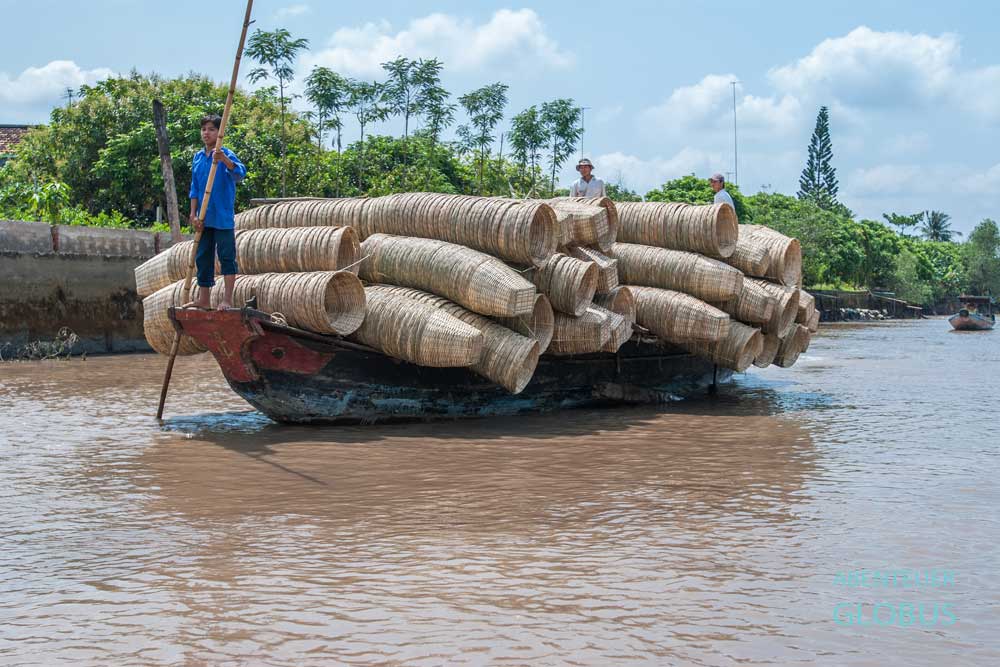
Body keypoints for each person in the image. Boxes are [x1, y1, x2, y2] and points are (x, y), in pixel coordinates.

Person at [186, 114, 247, 310]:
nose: (206, 133)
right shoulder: (197, 157)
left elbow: (240, 174)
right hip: (204, 218)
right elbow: (194, 189)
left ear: (219, 133)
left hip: (222, 217)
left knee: (226, 256)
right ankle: (204, 299)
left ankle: (227, 300)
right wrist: (193, 214)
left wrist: (224, 160)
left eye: (212, 129)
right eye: (204, 129)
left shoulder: (224, 153)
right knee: (202, 257)